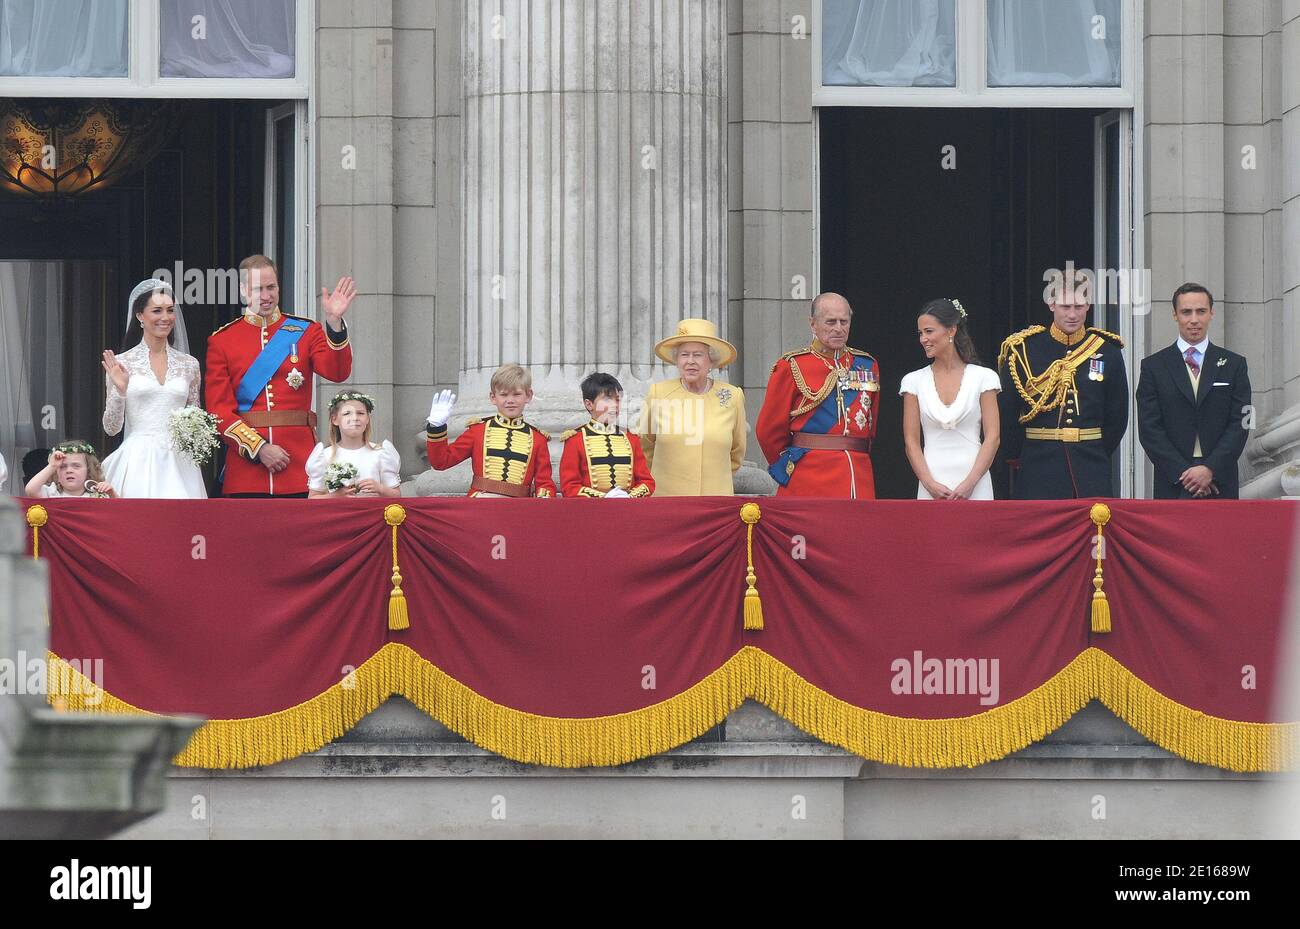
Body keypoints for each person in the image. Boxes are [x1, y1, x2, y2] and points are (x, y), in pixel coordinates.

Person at [205, 255, 357, 497]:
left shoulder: (306, 331)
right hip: (247, 471)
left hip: (299, 465)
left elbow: (337, 373)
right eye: (258, 289)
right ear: (244, 291)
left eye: (271, 287)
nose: (266, 296)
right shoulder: (222, 340)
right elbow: (218, 411)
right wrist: (259, 448)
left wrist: (334, 322)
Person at [997, 269, 1129, 499]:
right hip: (1038, 467)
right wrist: (1021, 456)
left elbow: (1116, 416)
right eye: (1065, 307)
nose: (1072, 314)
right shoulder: (1023, 350)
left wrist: (1095, 450)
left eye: (1079, 307)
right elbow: (1007, 413)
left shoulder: (1107, 351)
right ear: (1051, 304)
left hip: (1090, 467)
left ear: (1088, 306)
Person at [755, 293, 880, 499]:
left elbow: (870, 426)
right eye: (830, 322)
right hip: (808, 477)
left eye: (844, 322)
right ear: (813, 324)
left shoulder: (867, 364)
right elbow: (768, 430)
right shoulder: (791, 365)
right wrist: (790, 466)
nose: (838, 328)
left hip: (857, 474)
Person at [1136, 283, 1252, 499]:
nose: (1194, 319)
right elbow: (1149, 428)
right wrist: (1184, 474)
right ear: (1175, 315)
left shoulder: (1234, 365)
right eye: (1186, 312)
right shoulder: (1153, 367)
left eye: (1201, 311)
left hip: (1220, 480)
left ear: (1211, 313)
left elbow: (1242, 423)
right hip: (1173, 481)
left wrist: (1210, 469)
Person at [99, 278, 208, 498]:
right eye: (157, 311)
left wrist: (196, 433)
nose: (165, 317)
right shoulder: (121, 363)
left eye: (170, 310)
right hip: (137, 458)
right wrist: (120, 391)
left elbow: (195, 418)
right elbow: (111, 428)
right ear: (140, 315)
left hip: (180, 463)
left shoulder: (190, 364)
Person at [899, 299, 1001, 500]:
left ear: (951, 330)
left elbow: (993, 437)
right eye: (920, 333)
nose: (923, 339)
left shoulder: (984, 377)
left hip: (976, 484)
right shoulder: (913, 381)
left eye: (929, 331)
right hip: (931, 485)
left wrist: (970, 483)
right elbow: (911, 441)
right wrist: (929, 484)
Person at [638, 319, 747, 496]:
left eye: (698, 355)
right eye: (684, 355)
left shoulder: (732, 396)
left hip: (715, 500)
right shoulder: (658, 393)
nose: (690, 361)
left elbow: (737, 451)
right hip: (668, 499)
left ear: (711, 360)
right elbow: (644, 446)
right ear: (676, 360)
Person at [425, 364, 557, 498]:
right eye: (504, 395)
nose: (510, 400)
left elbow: (544, 483)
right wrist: (437, 427)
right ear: (493, 397)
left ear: (528, 396)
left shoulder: (538, 438)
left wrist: (543, 501)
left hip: (518, 509)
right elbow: (441, 462)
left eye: (517, 394)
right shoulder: (477, 431)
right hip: (480, 506)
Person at [560, 373, 655, 498]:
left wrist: (629, 496)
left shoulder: (631, 439)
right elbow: (569, 486)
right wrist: (603, 497)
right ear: (589, 404)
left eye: (617, 399)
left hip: (628, 509)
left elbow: (647, 482)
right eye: (607, 399)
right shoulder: (575, 440)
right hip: (590, 512)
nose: (615, 405)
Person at [306, 392, 402, 499]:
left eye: (360, 413)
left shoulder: (381, 453)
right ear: (335, 420)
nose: (355, 418)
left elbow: (396, 495)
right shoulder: (325, 456)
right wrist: (336, 496)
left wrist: (380, 488)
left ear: (367, 419)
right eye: (347, 413)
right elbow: (313, 498)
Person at [24, 442, 116, 498]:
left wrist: (111, 493)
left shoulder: (97, 496)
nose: (69, 470)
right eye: (62, 467)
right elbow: (31, 490)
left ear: (88, 470)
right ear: (56, 473)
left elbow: (119, 512)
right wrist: (52, 466)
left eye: (76, 466)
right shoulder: (52, 493)